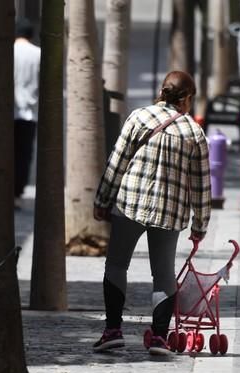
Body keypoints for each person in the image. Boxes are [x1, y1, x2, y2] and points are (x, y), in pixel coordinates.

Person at [92, 70, 211, 356]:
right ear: (186, 99)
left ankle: (112, 331)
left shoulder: (138, 117)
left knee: (117, 265)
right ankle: (159, 338)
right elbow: (201, 185)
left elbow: (117, 162)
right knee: (163, 274)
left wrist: (103, 199)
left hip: (130, 204)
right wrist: (200, 225)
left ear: (161, 91)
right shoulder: (193, 132)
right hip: (170, 211)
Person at [13, 18, 41, 208]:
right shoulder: (38, 54)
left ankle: (7, 190)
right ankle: (18, 192)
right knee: (24, 154)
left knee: (7, 152)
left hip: (8, 112)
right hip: (30, 113)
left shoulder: (7, 51)